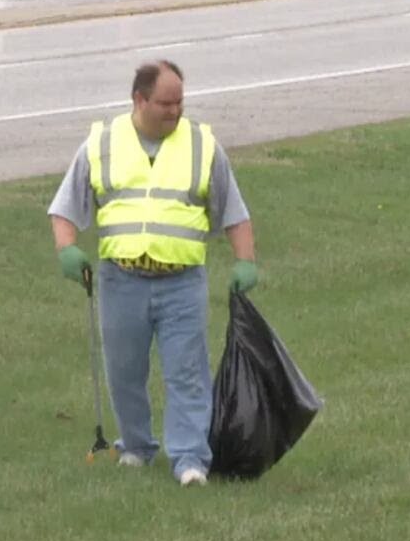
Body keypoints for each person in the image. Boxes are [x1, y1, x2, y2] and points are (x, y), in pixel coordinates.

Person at [47, 60, 258, 487]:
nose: (175, 111)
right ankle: (137, 447)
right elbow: (65, 206)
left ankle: (190, 459)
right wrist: (67, 249)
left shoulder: (202, 146)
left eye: (180, 102)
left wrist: (244, 259)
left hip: (182, 281)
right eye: (165, 103)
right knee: (124, 368)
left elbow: (233, 210)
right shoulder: (102, 144)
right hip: (121, 280)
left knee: (186, 371)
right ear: (139, 100)